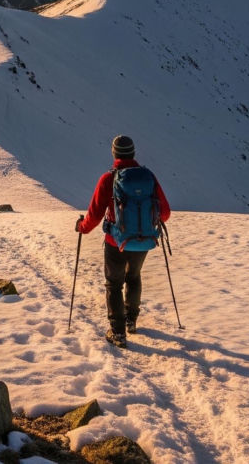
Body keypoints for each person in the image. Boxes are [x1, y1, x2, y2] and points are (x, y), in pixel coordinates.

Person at [75, 135, 170, 348]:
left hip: (115, 241)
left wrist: (82, 227)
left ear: (114, 153)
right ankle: (131, 320)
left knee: (114, 283)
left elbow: (94, 215)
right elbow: (165, 212)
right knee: (133, 276)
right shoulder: (148, 177)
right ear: (133, 152)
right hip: (144, 239)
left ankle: (118, 332)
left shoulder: (108, 179)